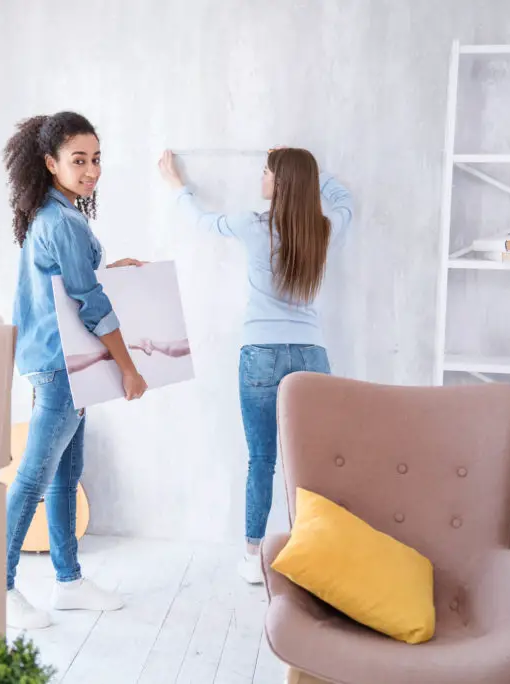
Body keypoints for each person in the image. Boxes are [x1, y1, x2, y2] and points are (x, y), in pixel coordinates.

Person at [157, 146, 354, 584]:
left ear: (279, 183)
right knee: (313, 461)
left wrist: (176, 186)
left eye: (267, 172)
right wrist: (312, 175)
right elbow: (346, 203)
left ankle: (252, 557)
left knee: (261, 458)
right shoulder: (323, 230)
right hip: (310, 355)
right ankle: (315, 550)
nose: (261, 177)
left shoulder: (252, 225)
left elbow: (202, 221)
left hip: (260, 354)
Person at [4, 111, 148, 630]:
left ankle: (68, 583)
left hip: (60, 362)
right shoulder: (62, 221)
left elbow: (67, 286)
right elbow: (87, 301)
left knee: (66, 475)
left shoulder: (54, 214)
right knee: (35, 477)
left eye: (95, 159)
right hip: (61, 367)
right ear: (51, 163)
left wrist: (112, 270)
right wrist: (128, 368)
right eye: (78, 160)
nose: (91, 170)